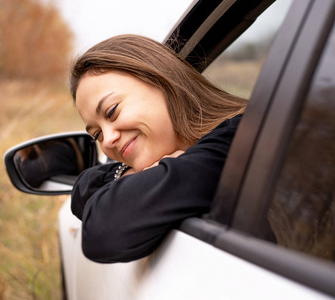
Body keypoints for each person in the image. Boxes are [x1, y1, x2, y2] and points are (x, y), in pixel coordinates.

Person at [69, 34, 247, 263]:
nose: (107, 141)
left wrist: (144, 176)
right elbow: (83, 187)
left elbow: (104, 229)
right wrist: (127, 173)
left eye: (112, 111)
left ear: (161, 81)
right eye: (97, 134)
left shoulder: (237, 143)